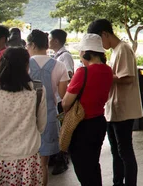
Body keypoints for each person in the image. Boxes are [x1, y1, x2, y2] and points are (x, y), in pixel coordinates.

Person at [88, 19, 143, 186]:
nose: (99, 45)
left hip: (124, 109)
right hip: (114, 108)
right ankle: (117, 181)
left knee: (125, 151)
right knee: (116, 151)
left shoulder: (123, 49)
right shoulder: (114, 51)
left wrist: (104, 76)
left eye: (99, 40)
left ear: (105, 34)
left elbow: (128, 78)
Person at [63, 33, 113, 186]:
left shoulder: (82, 72)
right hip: (99, 122)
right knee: (93, 163)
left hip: (82, 124)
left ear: (86, 53)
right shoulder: (108, 70)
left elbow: (66, 102)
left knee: (82, 167)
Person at [0, 47, 47, 185]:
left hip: (1, 157)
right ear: (26, 65)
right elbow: (41, 125)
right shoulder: (38, 90)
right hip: (28, 156)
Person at [27, 29, 69, 186]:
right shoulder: (59, 66)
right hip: (49, 117)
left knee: (27, 163)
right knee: (43, 165)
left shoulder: (25, 64)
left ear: (32, 45)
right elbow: (63, 97)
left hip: (26, 118)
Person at [48, 28, 74, 175]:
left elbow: (69, 75)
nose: (48, 41)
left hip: (62, 98)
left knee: (63, 130)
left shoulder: (65, 56)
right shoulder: (58, 55)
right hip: (57, 97)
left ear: (56, 40)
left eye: (50, 38)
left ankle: (62, 159)